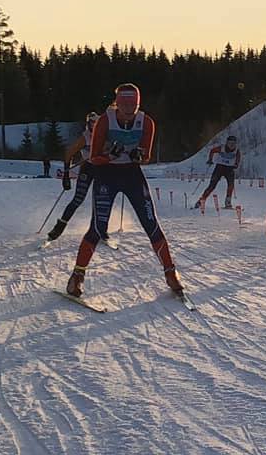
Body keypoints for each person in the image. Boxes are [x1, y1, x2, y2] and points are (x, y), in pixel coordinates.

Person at [67, 84, 183, 299]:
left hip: (131, 175)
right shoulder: (104, 120)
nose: (129, 109)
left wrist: (139, 156)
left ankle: (170, 272)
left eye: (134, 105)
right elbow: (93, 158)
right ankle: (77, 276)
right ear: (117, 104)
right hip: (106, 175)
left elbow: (146, 155)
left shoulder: (146, 122)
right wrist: (110, 155)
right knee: (98, 228)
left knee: (151, 224)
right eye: (125, 105)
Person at [48, 110, 101, 241]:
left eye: (96, 123)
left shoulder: (105, 135)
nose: (94, 126)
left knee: (100, 200)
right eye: (91, 123)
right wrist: (66, 175)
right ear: (88, 124)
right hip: (87, 168)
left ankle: (98, 230)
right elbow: (68, 153)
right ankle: (59, 227)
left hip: (101, 169)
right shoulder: (85, 137)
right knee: (78, 199)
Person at [195, 134, 242, 208]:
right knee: (212, 185)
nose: (231, 145)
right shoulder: (221, 148)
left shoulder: (236, 150)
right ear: (227, 143)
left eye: (233, 143)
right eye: (230, 143)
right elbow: (212, 151)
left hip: (229, 169)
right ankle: (201, 201)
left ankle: (228, 202)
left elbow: (238, 158)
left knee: (231, 185)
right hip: (219, 168)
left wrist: (236, 164)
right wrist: (210, 160)